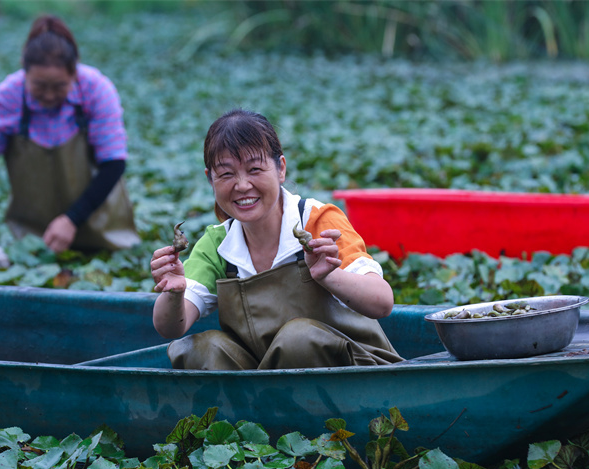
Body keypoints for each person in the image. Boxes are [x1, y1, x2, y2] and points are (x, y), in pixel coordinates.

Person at [151, 109, 403, 370]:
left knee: (298, 339)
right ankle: (241, 412)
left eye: (255, 169)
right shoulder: (217, 243)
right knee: (202, 348)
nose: (242, 185)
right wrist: (174, 292)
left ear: (280, 168)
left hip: (355, 372)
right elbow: (170, 328)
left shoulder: (317, 221)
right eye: (226, 174)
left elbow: (382, 302)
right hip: (269, 382)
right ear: (210, 179)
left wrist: (329, 276)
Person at [0, 15, 139, 252]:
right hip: (33, 240)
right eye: (39, 86)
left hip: (103, 231)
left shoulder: (96, 90)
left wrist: (71, 219)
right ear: (25, 73)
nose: (48, 95)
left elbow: (114, 163)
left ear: (74, 73)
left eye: (58, 86)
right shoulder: (7, 96)